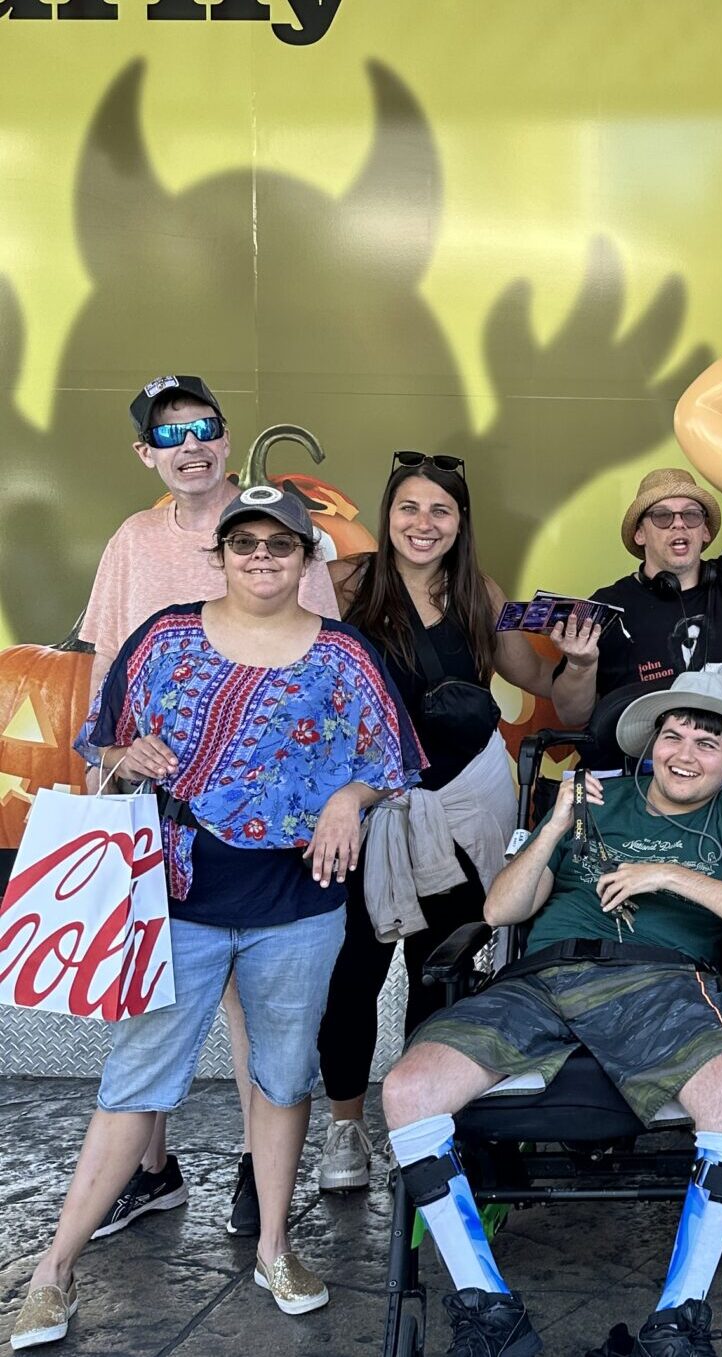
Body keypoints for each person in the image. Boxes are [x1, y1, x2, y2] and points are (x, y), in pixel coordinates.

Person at [9, 487, 421, 1350]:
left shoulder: (344, 655)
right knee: (135, 1081)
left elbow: (392, 757)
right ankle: (53, 1269)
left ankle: (275, 1246)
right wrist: (127, 754)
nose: (262, 557)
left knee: (281, 1076)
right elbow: (99, 737)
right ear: (222, 553)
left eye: (281, 544)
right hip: (179, 898)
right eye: (246, 543)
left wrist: (351, 793)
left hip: (300, 902)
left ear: (308, 559)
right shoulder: (164, 637)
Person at [379, 664, 722, 1357]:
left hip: (661, 981)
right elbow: (500, 909)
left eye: (707, 743)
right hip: (542, 976)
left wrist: (668, 876)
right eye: (674, 734)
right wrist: (555, 821)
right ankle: (488, 1310)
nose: (685, 753)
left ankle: (678, 1321)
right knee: (407, 1088)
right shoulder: (591, 800)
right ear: (649, 743)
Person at [78, 375, 339, 1244]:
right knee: (150, 993)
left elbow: (332, 679)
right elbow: (106, 661)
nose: (191, 445)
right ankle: (148, 1170)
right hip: (158, 804)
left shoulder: (280, 531)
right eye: (171, 434)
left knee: (256, 1007)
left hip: (269, 827)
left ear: (227, 438)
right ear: (146, 453)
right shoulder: (132, 539)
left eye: (205, 428)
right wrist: (105, 763)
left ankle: (253, 1174)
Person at [313, 452, 562, 1194]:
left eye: (440, 511)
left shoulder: (480, 593)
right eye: (409, 508)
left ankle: (423, 1120)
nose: (424, 524)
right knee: (352, 973)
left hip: (459, 809)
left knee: (439, 971)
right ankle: (345, 1127)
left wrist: (578, 659)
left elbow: (541, 680)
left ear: (460, 523)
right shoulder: (342, 583)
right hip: (367, 808)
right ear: (387, 515)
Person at [549, 439, 722, 766]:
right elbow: (571, 715)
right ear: (639, 534)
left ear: (705, 532)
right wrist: (581, 665)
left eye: (691, 515)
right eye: (662, 516)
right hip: (640, 788)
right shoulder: (608, 606)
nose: (678, 523)